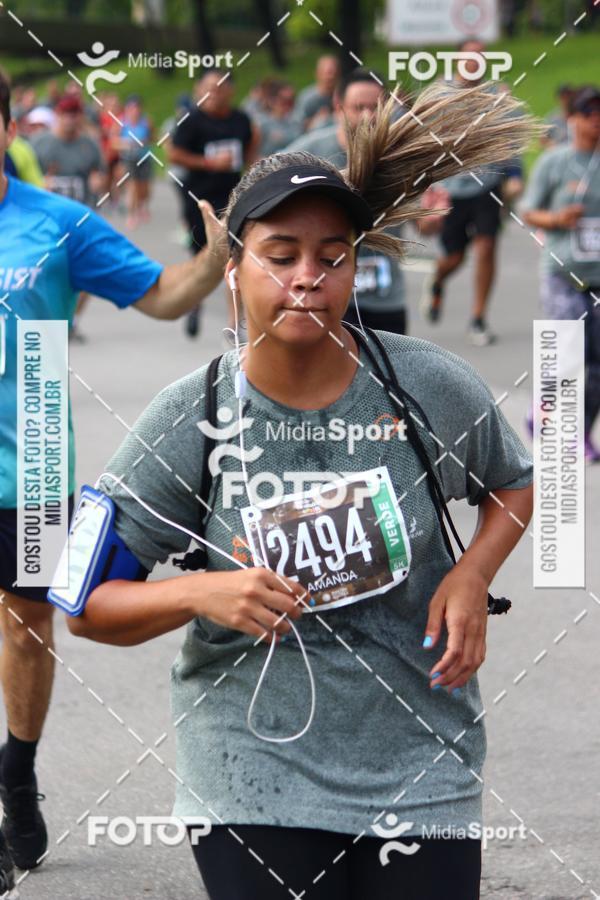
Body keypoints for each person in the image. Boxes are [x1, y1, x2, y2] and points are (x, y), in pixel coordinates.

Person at [68, 82, 535, 900]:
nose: (307, 278)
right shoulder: (192, 414)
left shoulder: (428, 384)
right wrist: (201, 591)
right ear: (236, 268)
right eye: (281, 255)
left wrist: (472, 574)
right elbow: (85, 604)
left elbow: (516, 483)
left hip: (422, 766)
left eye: (332, 257)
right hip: (251, 774)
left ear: (358, 265)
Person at [0, 69, 224, 881]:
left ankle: (17, 777)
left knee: (26, 629)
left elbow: (164, 297)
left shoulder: (55, 225)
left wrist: (215, 259)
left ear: (6, 130)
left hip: (26, 467)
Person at [286, 68, 407, 334]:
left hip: (385, 296)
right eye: (358, 107)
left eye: (374, 107)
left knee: (389, 375)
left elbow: (426, 226)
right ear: (338, 106)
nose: (367, 116)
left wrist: (432, 217)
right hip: (325, 295)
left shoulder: (402, 157)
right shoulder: (305, 155)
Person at [421, 40, 524, 346]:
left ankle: (478, 318)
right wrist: (425, 187)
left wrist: (515, 175)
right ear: (457, 60)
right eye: (470, 57)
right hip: (451, 188)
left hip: (487, 185)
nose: (475, 62)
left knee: (487, 246)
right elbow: (421, 146)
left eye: (481, 57)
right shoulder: (438, 94)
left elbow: (510, 139)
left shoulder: (497, 95)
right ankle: (438, 279)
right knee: (454, 257)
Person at [522, 85, 600, 462]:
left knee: (597, 364)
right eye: (589, 112)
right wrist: (556, 218)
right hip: (563, 272)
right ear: (574, 119)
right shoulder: (555, 162)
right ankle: (554, 420)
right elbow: (527, 210)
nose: (596, 119)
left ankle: (581, 431)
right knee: (568, 354)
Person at [168, 70, 258, 338]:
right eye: (208, 87)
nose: (214, 92)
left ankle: (234, 324)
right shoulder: (192, 121)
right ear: (199, 89)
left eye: (219, 87)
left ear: (230, 91)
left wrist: (254, 172)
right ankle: (195, 304)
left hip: (232, 196)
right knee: (202, 256)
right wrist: (208, 163)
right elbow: (174, 153)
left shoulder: (241, 120)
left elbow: (251, 146)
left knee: (233, 257)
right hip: (199, 198)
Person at [117, 95, 154, 229]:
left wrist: (144, 142)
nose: (135, 111)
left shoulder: (146, 122)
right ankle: (131, 215)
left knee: (144, 187)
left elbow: (153, 137)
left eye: (137, 108)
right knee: (132, 186)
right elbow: (113, 141)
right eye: (131, 108)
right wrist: (126, 143)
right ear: (127, 109)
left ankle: (142, 206)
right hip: (128, 159)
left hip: (144, 157)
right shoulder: (122, 123)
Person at [296, 54, 340, 132]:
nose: (331, 77)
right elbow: (298, 125)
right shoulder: (307, 97)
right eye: (328, 73)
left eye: (334, 73)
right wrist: (317, 119)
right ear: (317, 74)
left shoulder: (343, 94)